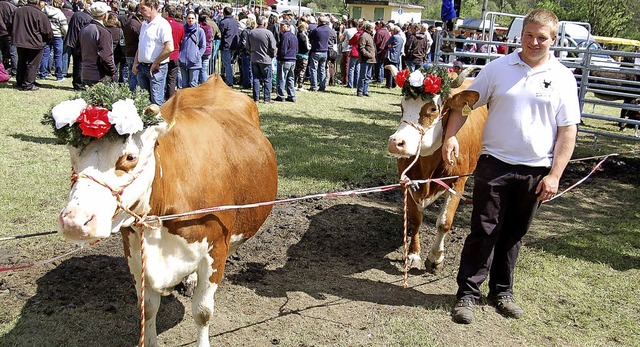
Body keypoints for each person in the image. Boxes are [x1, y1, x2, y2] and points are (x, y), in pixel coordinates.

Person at [442, 9, 580, 325]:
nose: (533, 42)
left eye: (541, 37)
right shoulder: (497, 69)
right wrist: (451, 136)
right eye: (528, 35)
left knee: (514, 233)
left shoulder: (562, 77)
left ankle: (502, 291)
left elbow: (567, 131)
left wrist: (555, 175)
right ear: (521, 35)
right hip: (494, 165)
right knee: (484, 230)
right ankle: (467, 294)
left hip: (535, 170)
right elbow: (465, 103)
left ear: (553, 39)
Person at [133, 0, 173, 106]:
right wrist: (135, 63)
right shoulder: (144, 24)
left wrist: (156, 62)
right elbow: (140, 46)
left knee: (156, 102)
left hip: (156, 69)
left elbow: (169, 48)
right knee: (143, 102)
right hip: (142, 67)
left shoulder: (162, 24)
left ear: (151, 7)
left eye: (143, 8)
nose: (140, 11)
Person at [11, 0, 53, 91]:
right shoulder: (40, 14)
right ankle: (28, 84)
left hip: (21, 41)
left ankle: (22, 81)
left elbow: (11, 24)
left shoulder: (17, 11)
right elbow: (47, 31)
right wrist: (47, 39)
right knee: (33, 63)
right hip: (35, 42)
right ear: (37, 2)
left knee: (21, 61)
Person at [79, 1, 116, 87]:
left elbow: (78, 51)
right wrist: (113, 70)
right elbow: (106, 56)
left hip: (85, 72)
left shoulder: (84, 29)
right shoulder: (103, 32)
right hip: (99, 75)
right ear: (104, 15)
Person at [247, 15, 276, 103]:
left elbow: (247, 46)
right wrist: (271, 55)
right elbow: (273, 47)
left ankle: (256, 98)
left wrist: (252, 53)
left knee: (256, 78)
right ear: (264, 23)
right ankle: (266, 98)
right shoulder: (268, 33)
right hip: (266, 59)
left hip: (254, 58)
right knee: (267, 79)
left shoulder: (251, 32)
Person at [64, 1, 92, 90]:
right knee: (80, 64)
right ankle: (78, 83)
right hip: (79, 43)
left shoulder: (76, 15)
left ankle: (77, 82)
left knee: (76, 64)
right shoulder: (88, 18)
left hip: (72, 41)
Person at [39, 0, 67, 81]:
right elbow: (64, 27)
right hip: (57, 36)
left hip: (47, 35)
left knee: (45, 55)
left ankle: (42, 74)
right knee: (58, 56)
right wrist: (65, 35)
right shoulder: (59, 13)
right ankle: (59, 75)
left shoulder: (43, 11)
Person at [178, 11, 205, 88]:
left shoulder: (200, 31)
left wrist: (197, 56)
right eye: (189, 18)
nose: (190, 20)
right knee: (184, 85)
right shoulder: (182, 30)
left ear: (196, 19)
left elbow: (203, 46)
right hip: (183, 61)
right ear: (186, 19)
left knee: (193, 84)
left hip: (194, 63)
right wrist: (180, 56)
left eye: (192, 18)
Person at [162, 4, 184, 99]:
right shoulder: (180, 26)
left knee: (162, 80)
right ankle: (170, 99)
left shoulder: (162, 24)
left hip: (164, 56)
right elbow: (181, 40)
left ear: (166, 13)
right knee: (172, 80)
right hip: (175, 55)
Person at [275, 20, 297, 102]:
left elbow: (283, 49)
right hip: (293, 59)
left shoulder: (285, 36)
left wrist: (279, 58)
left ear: (288, 26)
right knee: (290, 78)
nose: (280, 27)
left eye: (282, 26)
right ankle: (292, 95)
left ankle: (281, 95)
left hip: (285, 60)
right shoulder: (294, 36)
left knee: (281, 78)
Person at [308, 15, 331, 92]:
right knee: (322, 70)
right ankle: (322, 86)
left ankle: (314, 86)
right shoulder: (328, 30)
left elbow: (310, 37)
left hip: (316, 51)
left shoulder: (316, 30)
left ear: (319, 22)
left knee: (314, 69)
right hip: (324, 51)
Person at [122, 1, 142, 91]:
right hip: (134, 52)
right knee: (134, 74)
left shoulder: (129, 22)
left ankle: (131, 90)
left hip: (129, 51)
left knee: (131, 74)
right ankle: (133, 91)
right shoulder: (136, 25)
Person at [218, 6, 239, 86]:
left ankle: (229, 81)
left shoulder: (224, 22)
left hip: (226, 45)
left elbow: (221, 32)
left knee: (227, 64)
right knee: (230, 64)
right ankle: (229, 78)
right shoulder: (235, 21)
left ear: (224, 13)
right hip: (234, 45)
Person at [356, 21, 375, 97]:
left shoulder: (369, 35)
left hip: (371, 59)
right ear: (368, 29)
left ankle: (365, 90)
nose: (372, 29)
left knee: (368, 76)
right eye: (371, 28)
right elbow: (361, 48)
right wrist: (368, 54)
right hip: (366, 59)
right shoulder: (363, 36)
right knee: (363, 76)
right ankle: (360, 91)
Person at [105, 12, 125, 83]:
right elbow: (122, 44)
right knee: (115, 71)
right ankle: (114, 87)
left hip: (105, 53)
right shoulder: (119, 31)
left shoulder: (103, 29)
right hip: (116, 54)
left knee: (105, 71)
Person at [0, 0, 17, 77]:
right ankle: (14, 70)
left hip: (2, 32)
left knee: (2, 52)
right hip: (9, 32)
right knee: (13, 52)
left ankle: (3, 69)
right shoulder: (11, 6)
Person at [294, 21, 309, 91]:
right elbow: (306, 46)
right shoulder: (303, 36)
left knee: (296, 70)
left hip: (297, 54)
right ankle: (300, 85)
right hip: (304, 55)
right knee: (302, 70)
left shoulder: (297, 35)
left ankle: (294, 84)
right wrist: (310, 47)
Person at [197, 12, 212, 84]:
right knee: (204, 70)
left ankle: (204, 85)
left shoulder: (198, 28)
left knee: (199, 70)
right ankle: (204, 83)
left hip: (200, 50)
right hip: (208, 50)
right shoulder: (209, 28)